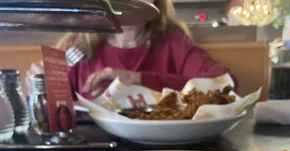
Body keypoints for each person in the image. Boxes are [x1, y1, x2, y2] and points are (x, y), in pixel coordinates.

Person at [27, 0, 237, 99]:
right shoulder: (80, 45)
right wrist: (40, 89)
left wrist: (136, 79)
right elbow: (55, 114)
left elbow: (227, 83)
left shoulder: (173, 41)